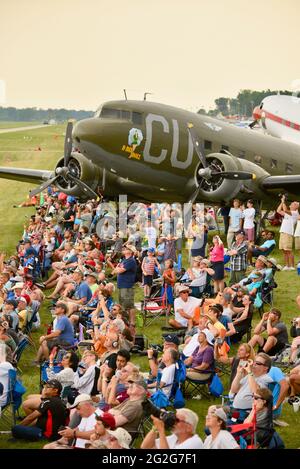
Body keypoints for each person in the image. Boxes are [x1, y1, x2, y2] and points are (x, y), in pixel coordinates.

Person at [22, 351, 79, 416]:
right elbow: (53, 379)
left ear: (71, 362)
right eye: (64, 356)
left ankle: (36, 423)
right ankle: (40, 418)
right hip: (57, 397)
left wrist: (51, 362)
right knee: (29, 397)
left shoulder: (68, 371)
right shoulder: (67, 371)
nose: (63, 357)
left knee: (25, 404)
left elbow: (52, 378)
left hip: (56, 400)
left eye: (67, 357)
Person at [277, 196, 299, 270]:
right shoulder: (289, 213)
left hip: (288, 233)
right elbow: (278, 210)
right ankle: (287, 265)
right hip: (283, 231)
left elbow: (285, 209)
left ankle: (292, 266)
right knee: (284, 250)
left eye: (293, 204)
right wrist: (281, 202)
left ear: (296, 207)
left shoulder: (295, 213)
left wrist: (283, 201)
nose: (291, 204)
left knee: (288, 250)